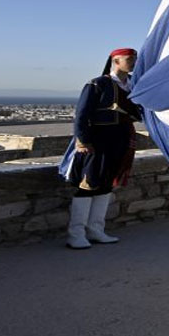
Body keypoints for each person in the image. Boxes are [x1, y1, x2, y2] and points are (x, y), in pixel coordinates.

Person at [59, 47, 142, 250]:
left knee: (106, 185)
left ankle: (96, 230)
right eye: (129, 59)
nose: (133, 63)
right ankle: (76, 234)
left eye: (134, 59)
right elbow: (81, 114)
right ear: (115, 60)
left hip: (120, 140)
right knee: (88, 185)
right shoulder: (98, 84)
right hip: (97, 142)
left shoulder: (133, 86)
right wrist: (83, 141)